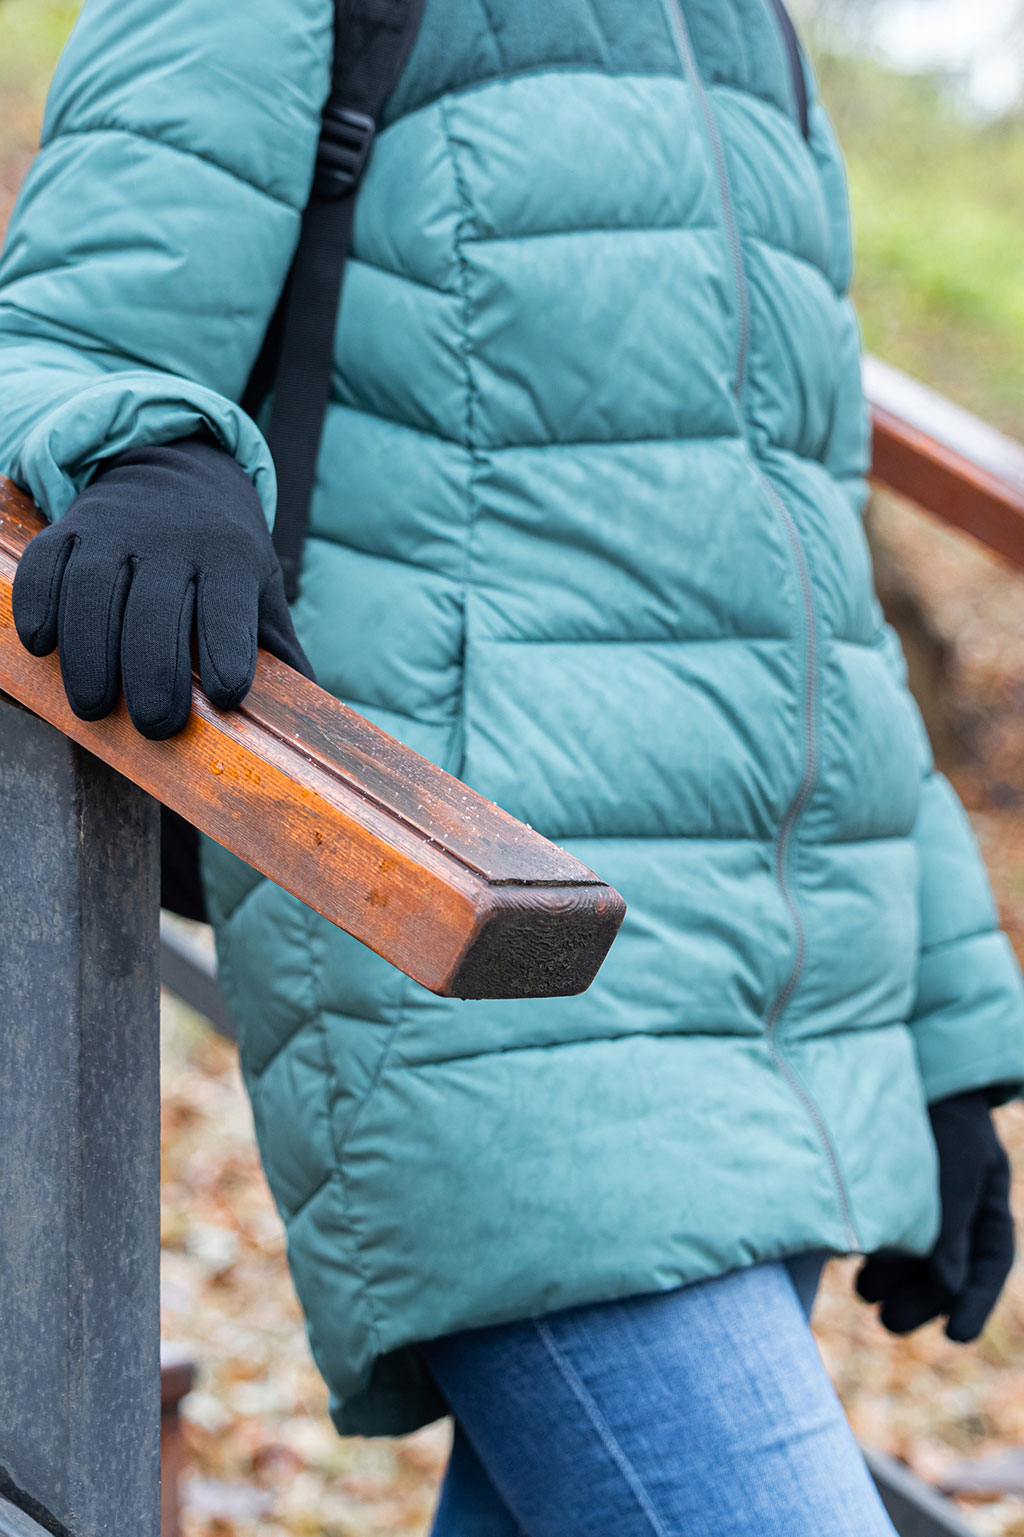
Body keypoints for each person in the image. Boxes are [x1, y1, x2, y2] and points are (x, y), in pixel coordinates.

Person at [1, 1, 1022, 1531]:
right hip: (503, 988)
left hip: (789, 1006)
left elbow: (815, 584)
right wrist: (148, 449)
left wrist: (939, 1041)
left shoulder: (746, 33)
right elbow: (65, 336)